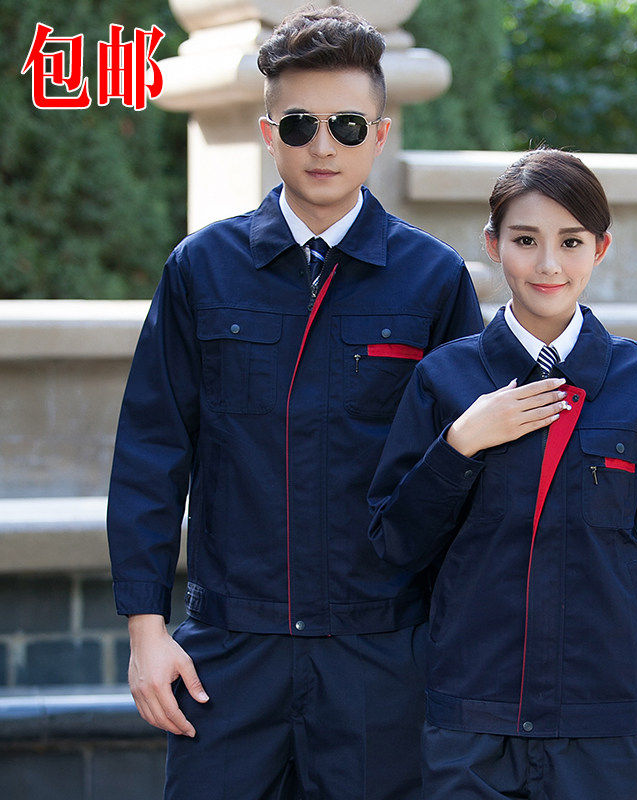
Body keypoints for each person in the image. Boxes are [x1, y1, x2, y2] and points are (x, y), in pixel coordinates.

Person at [106, 6, 483, 799]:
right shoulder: (201, 269)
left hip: (380, 655)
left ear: (379, 136)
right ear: (268, 134)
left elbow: (464, 481)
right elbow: (151, 450)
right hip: (228, 653)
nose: (323, 146)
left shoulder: (433, 280)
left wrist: (455, 646)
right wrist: (146, 631)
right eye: (300, 124)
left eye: (347, 125)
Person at [368, 148, 637, 800]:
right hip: (470, 718)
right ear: (492, 245)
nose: (548, 265)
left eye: (570, 241)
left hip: (602, 721)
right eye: (525, 240)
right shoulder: (444, 379)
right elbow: (393, 544)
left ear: (600, 248)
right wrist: (459, 444)